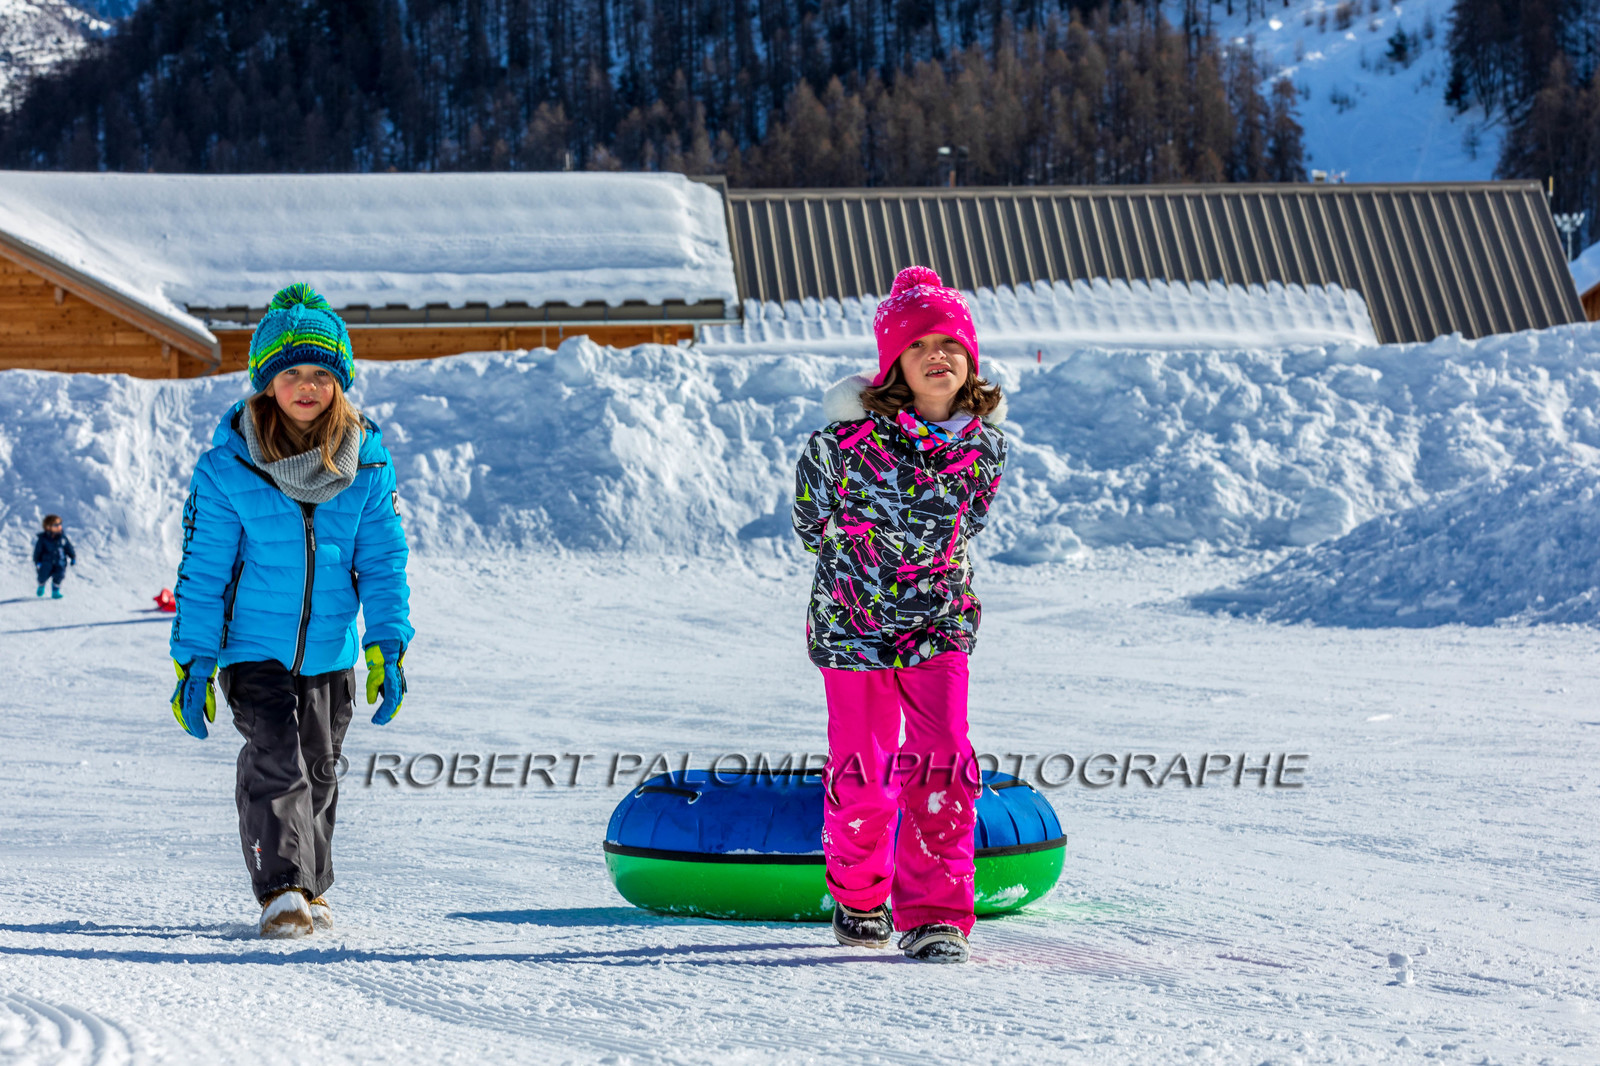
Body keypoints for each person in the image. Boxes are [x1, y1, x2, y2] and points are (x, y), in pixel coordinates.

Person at [168, 283, 413, 940]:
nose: (307, 387)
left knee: (321, 770)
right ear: (265, 381)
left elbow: (383, 561)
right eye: (291, 373)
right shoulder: (227, 469)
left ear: (341, 381)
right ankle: (281, 891)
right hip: (253, 649)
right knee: (278, 761)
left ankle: (313, 887)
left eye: (322, 374)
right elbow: (204, 571)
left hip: (330, 649)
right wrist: (195, 661)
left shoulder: (368, 464)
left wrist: (387, 646)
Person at [792, 265, 1008, 964]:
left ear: (969, 357)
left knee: (944, 757)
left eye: (948, 343)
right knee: (866, 765)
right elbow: (809, 521)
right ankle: (859, 896)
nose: (935, 356)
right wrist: (861, 565)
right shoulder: (841, 444)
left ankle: (936, 914)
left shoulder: (985, 448)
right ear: (893, 365)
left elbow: (971, 521)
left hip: (938, 621)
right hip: (853, 624)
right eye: (917, 346)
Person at [33, 515, 76, 598]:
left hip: (60, 562)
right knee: (42, 576)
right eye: (56, 525)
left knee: (59, 576)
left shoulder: (63, 538)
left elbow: (69, 548)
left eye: (60, 524)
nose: (59, 527)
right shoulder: (43, 539)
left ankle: (55, 592)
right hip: (46, 562)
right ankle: (41, 585)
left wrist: (72, 557)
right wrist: (37, 561)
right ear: (48, 527)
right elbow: (37, 551)